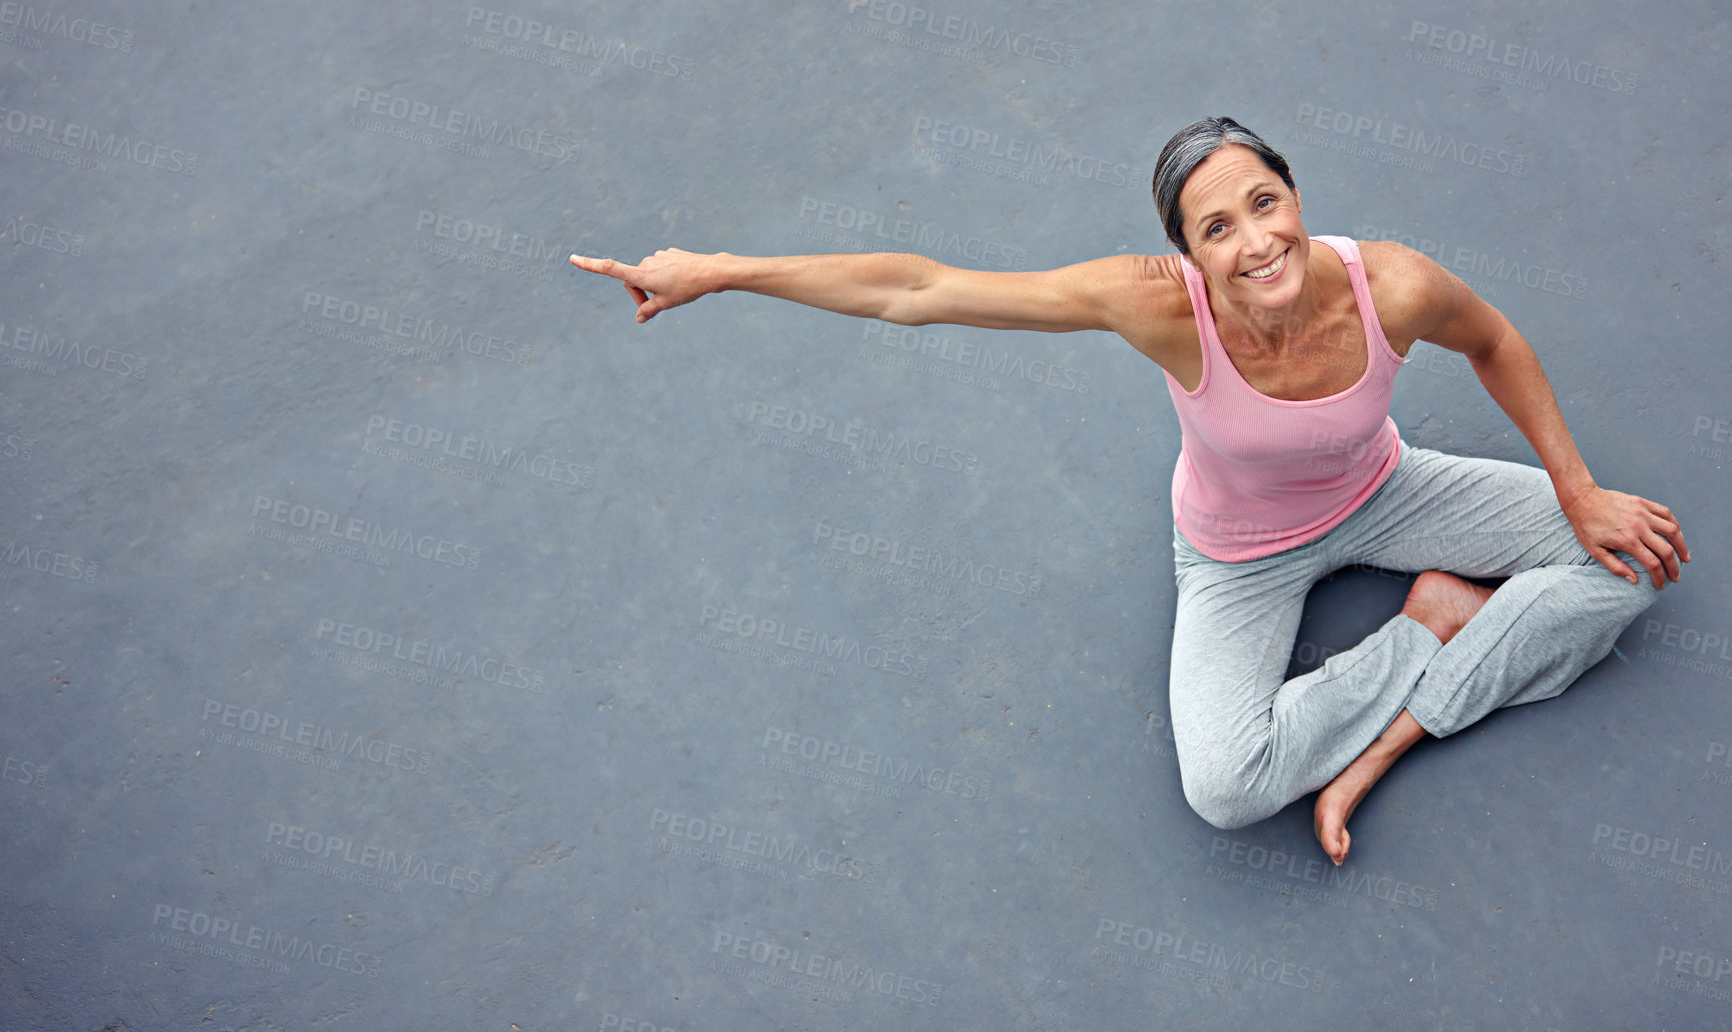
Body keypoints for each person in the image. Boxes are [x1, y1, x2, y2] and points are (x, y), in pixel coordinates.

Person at [571, 116, 1687, 867]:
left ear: (1294, 194)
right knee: (1228, 785)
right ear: (1185, 255)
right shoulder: (1154, 306)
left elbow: (1494, 340)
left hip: (1388, 493)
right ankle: (1426, 634)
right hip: (1239, 552)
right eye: (1218, 227)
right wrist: (720, 269)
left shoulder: (1388, 281)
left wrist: (1576, 488)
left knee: (1630, 563)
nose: (1257, 241)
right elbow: (917, 288)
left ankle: (1393, 728)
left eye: (1264, 201)